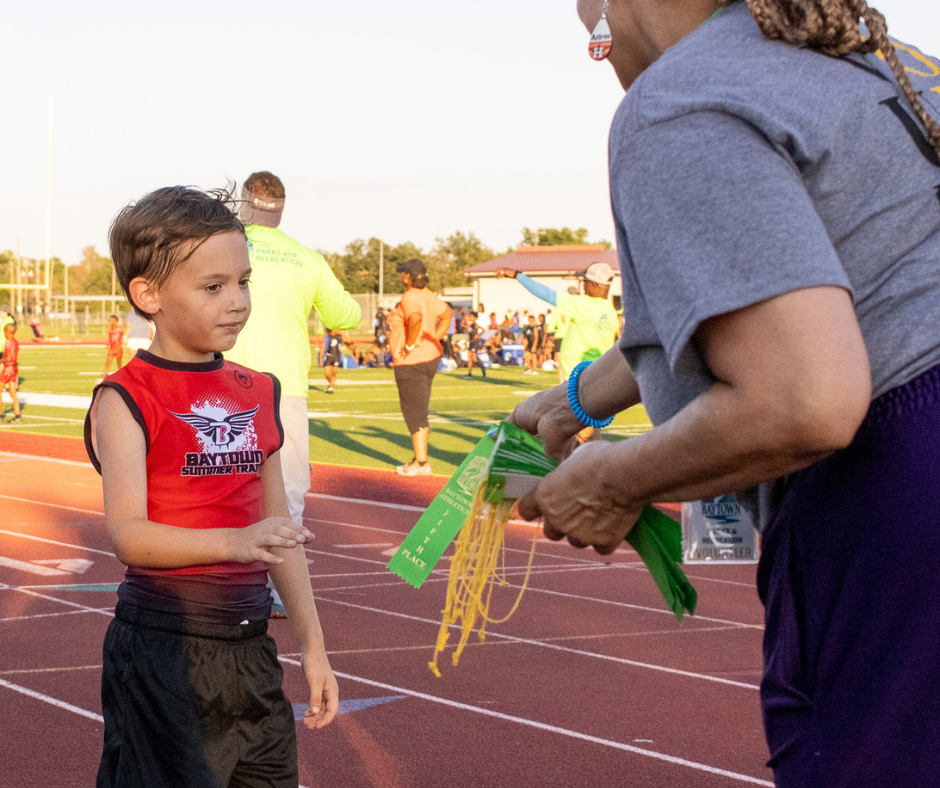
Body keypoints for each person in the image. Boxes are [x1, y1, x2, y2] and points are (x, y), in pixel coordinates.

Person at [509, 2, 940, 786]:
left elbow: (804, 397)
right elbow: (803, 283)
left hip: (895, 504)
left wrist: (614, 479)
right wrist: (579, 399)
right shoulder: (887, 62)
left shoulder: (679, 100)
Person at [85, 185, 338, 787]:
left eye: (243, 282)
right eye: (213, 287)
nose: (237, 302)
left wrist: (313, 645)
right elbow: (130, 536)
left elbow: (282, 536)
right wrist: (236, 542)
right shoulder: (126, 398)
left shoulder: (259, 390)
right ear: (148, 295)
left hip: (250, 652)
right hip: (164, 652)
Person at [226, 171, 360, 525]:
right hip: (284, 389)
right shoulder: (307, 258)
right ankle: (279, 579)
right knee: (288, 493)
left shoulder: (223, 247)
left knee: (220, 487)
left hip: (223, 383)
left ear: (244, 202)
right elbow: (346, 315)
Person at [497, 262, 619, 379]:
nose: (583, 285)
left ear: (594, 284)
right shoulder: (610, 311)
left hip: (580, 377)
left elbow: (547, 294)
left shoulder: (585, 304)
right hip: (595, 374)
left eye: (585, 281)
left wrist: (518, 275)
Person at [389, 259, 452, 475]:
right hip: (429, 357)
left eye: (402, 273)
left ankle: (422, 463)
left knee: (413, 412)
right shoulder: (428, 294)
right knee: (420, 410)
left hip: (411, 361)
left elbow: (415, 317)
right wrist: (434, 337)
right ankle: (419, 458)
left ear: (407, 276)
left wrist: (409, 344)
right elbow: (447, 314)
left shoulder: (410, 296)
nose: (400, 277)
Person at [0, 322, 22, 423]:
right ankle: (17, 416)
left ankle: (0, 415)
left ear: (7, 332)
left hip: (8, 369)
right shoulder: (16, 342)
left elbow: (8, 358)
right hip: (14, 369)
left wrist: (1, 360)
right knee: (13, 394)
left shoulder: (8, 342)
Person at [101, 314, 125, 379]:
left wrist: (117, 348)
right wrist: (107, 345)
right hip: (112, 348)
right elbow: (110, 339)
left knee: (119, 365)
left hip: (118, 349)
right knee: (107, 364)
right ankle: (103, 377)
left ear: (115, 321)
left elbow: (121, 340)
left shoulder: (119, 329)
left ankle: (123, 377)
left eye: (111, 320)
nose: (109, 322)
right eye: (109, 320)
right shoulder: (109, 330)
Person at [322, 328, 343, 393]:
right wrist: (321, 358)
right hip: (329, 356)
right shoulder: (327, 337)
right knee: (327, 374)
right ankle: (331, 383)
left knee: (334, 373)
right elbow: (324, 347)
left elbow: (347, 341)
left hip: (336, 357)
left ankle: (331, 387)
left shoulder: (339, 337)